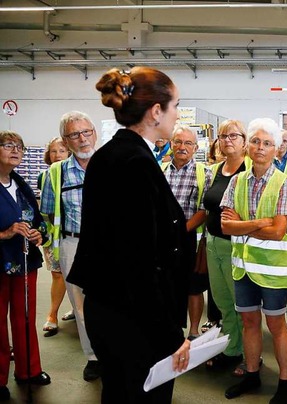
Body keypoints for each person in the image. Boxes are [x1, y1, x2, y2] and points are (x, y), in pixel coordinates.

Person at [68, 67, 191, 403]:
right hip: (134, 320)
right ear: (155, 112)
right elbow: (140, 263)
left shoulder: (109, 155)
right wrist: (171, 336)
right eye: (175, 106)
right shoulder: (134, 163)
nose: (177, 114)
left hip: (109, 309)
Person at [221, 118, 287, 404]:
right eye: (255, 141)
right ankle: (252, 374)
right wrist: (258, 223)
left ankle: (285, 383)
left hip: (273, 271)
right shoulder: (237, 180)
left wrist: (244, 223)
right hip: (243, 269)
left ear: (276, 149)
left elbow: (278, 232)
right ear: (248, 145)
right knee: (249, 322)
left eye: (267, 143)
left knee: (278, 326)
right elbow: (226, 226)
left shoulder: (285, 184)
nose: (260, 147)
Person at [40, 111, 101, 381]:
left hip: (108, 244)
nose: (82, 139)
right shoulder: (57, 172)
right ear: (66, 140)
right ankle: (93, 357)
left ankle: (115, 352)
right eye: (75, 134)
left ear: (94, 133)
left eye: (86, 132)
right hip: (72, 243)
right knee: (80, 304)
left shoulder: (111, 164)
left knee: (113, 301)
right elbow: (47, 211)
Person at [0, 131, 51, 401]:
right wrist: (5, 234)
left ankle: (28, 370)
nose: (16, 150)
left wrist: (38, 233)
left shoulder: (21, 184)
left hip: (24, 261)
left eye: (19, 146)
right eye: (8, 145)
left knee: (25, 317)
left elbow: (37, 218)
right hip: (0, 263)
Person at [203, 120, 248, 375]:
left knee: (240, 303)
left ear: (243, 140)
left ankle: (246, 353)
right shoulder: (214, 170)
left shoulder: (250, 170)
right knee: (222, 301)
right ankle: (231, 348)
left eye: (233, 135)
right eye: (223, 136)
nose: (228, 140)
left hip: (237, 246)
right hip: (213, 243)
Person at [162, 125, 214, 340]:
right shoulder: (160, 170)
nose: (182, 147)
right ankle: (170, 327)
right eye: (178, 142)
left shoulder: (204, 173)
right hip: (163, 238)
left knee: (193, 287)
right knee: (167, 283)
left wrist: (181, 230)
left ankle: (193, 331)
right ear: (171, 144)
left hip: (191, 237)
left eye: (188, 143)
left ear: (195, 147)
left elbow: (205, 210)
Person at [38, 137, 70, 338]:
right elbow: (45, 208)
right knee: (57, 274)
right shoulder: (45, 175)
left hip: (77, 234)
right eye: (53, 151)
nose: (57, 155)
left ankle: (77, 310)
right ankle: (52, 315)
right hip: (53, 234)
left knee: (80, 277)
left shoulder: (77, 172)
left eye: (62, 151)